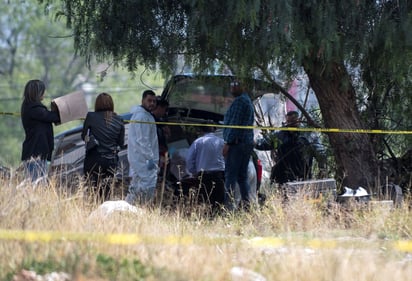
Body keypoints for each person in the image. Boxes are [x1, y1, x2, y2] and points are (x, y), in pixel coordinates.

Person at [255, 110, 327, 185]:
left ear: (299, 121)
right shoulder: (280, 135)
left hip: (303, 178)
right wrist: (253, 142)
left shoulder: (308, 135)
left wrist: (322, 169)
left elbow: (320, 152)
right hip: (283, 178)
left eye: (293, 121)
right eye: (288, 122)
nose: (290, 124)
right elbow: (262, 144)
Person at [81, 93, 125, 201]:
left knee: (92, 190)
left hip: (94, 159)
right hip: (111, 160)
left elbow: (83, 136)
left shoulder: (91, 116)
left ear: (97, 104)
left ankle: (92, 213)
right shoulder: (119, 119)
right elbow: (121, 143)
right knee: (107, 192)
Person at [222, 81, 255, 210]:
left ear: (244, 86)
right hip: (245, 144)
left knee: (230, 176)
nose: (232, 86)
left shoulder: (240, 101)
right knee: (242, 177)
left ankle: (228, 208)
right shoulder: (247, 100)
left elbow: (234, 124)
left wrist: (228, 143)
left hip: (236, 145)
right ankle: (247, 206)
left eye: (236, 83)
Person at [21, 79, 61, 182]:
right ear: (37, 93)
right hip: (34, 155)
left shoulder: (31, 107)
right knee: (37, 188)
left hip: (37, 154)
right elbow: (51, 117)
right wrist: (64, 108)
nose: (44, 93)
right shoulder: (33, 109)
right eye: (42, 91)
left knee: (39, 186)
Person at [126, 90, 159, 205]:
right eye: (149, 100)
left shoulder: (145, 115)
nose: (152, 103)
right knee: (148, 184)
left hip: (139, 158)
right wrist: (150, 158)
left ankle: (128, 208)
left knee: (136, 186)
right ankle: (142, 209)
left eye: (154, 101)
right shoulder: (142, 116)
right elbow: (143, 140)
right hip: (143, 159)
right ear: (142, 100)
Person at [185, 123, 225, 210]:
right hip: (219, 175)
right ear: (214, 130)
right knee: (219, 201)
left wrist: (193, 172)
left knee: (206, 200)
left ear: (201, 131)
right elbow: (226, 157)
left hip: (204, 175)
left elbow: (189, 159)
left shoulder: (198, 142)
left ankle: (208, 218)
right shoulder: (221, 142)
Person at [151, 97, 170, 177]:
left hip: (161, 154)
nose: (165, 113)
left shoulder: (160, 122)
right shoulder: (150, 120)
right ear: (159, 107)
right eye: (165, 109)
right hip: (153, 154)